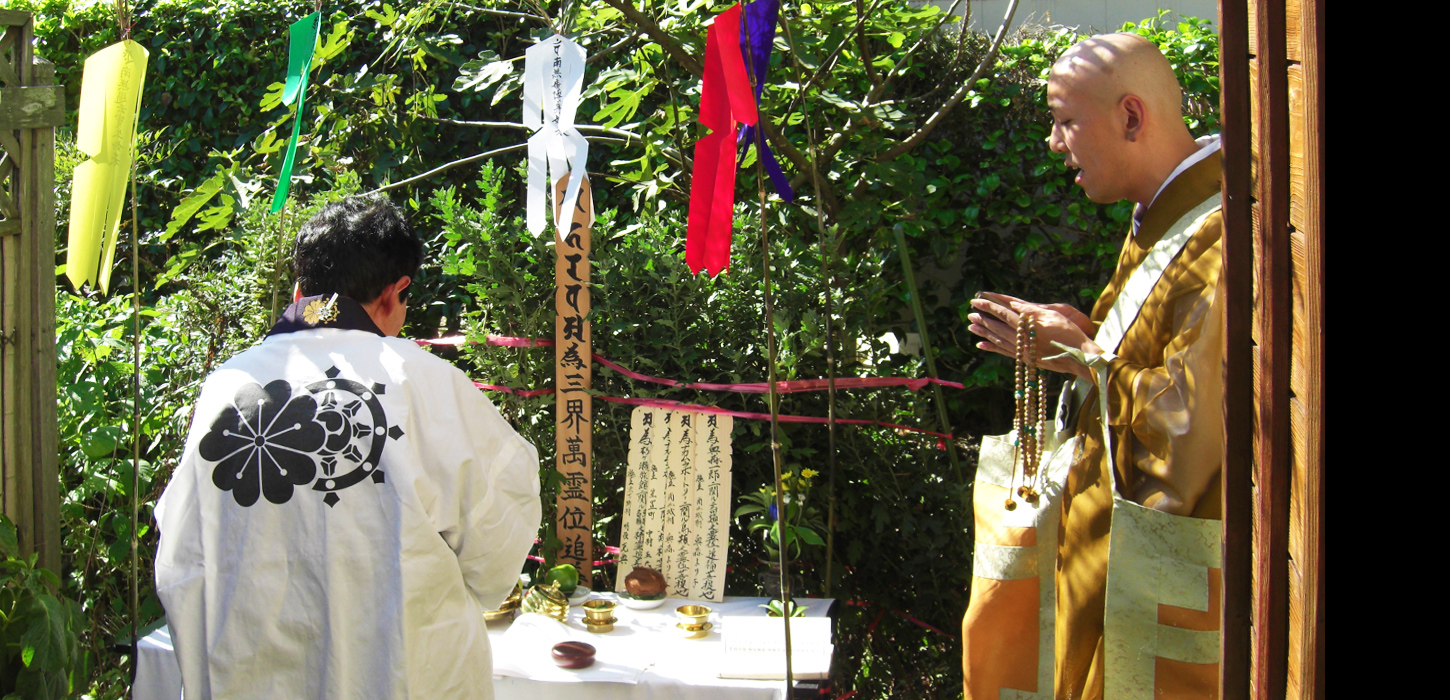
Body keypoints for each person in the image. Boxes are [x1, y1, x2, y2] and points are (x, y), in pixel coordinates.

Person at [155, 195, 542, 699]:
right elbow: (497, 543)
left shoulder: (228, 384)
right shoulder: (424, 381)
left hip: (251, 674)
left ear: (300, 287)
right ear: (395, 291)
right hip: (400, 672)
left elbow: (183, 554)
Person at [963, 33, 1226, 699]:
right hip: (1106, 551)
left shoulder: (1218, 231)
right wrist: (1079, 342)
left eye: (1066, 122)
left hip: (1156, 567)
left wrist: (1082, 359)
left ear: (1131, 117)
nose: (1055, 144)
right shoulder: (1164, 218)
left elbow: (1190, 425)